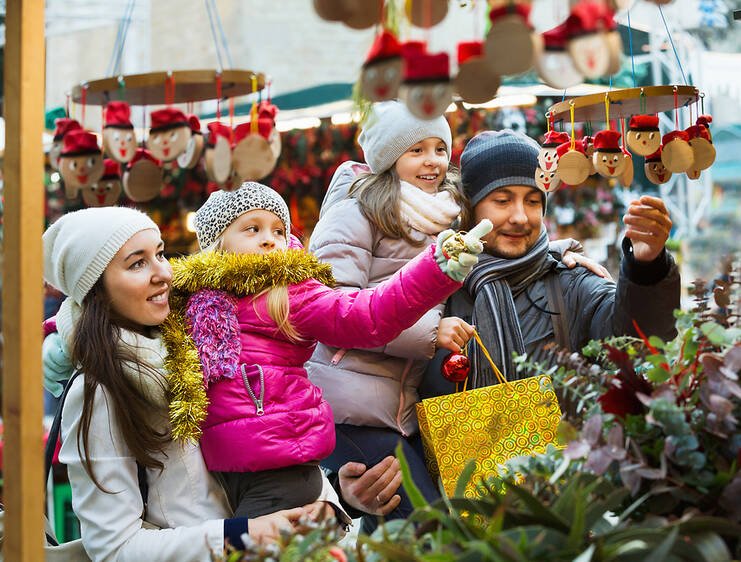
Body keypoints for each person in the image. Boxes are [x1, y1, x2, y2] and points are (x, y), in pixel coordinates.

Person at [304, 102, 607, 527]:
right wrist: (430, 331)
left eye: (438, 149)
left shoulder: (445, 216)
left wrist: (556, 251)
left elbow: (499, 236)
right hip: (355, 403)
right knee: (427, 528)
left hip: (404, 414)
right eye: (415, 150)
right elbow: (332, 309)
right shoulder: (365, 216)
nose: (431, 161)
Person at [164, 181, 486, 520]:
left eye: (277, 230)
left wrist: (433, 270)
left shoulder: (288, 294)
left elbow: (368, 314)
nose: (268, 238)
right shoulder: (197, 304)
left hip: (280, 467)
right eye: (252, 228)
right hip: (227, 468)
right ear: (217, 244)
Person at [41, 207, 342, 561]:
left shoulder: (200, 338)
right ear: (96, 289)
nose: (164, 273)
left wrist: (336, 499)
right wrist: (242, 535)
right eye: (137, 264)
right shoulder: (100, 390)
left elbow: (261, 458)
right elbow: (113, 548)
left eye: (161, 254)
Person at [420, 129, 680, 398]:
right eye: (502, 200)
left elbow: (635, 345)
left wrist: (646, 266)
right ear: (470, 209)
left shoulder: (570, 281)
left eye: (533, 201)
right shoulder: (435, 285)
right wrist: (427, 337)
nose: (520, 217)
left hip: (562, 440)